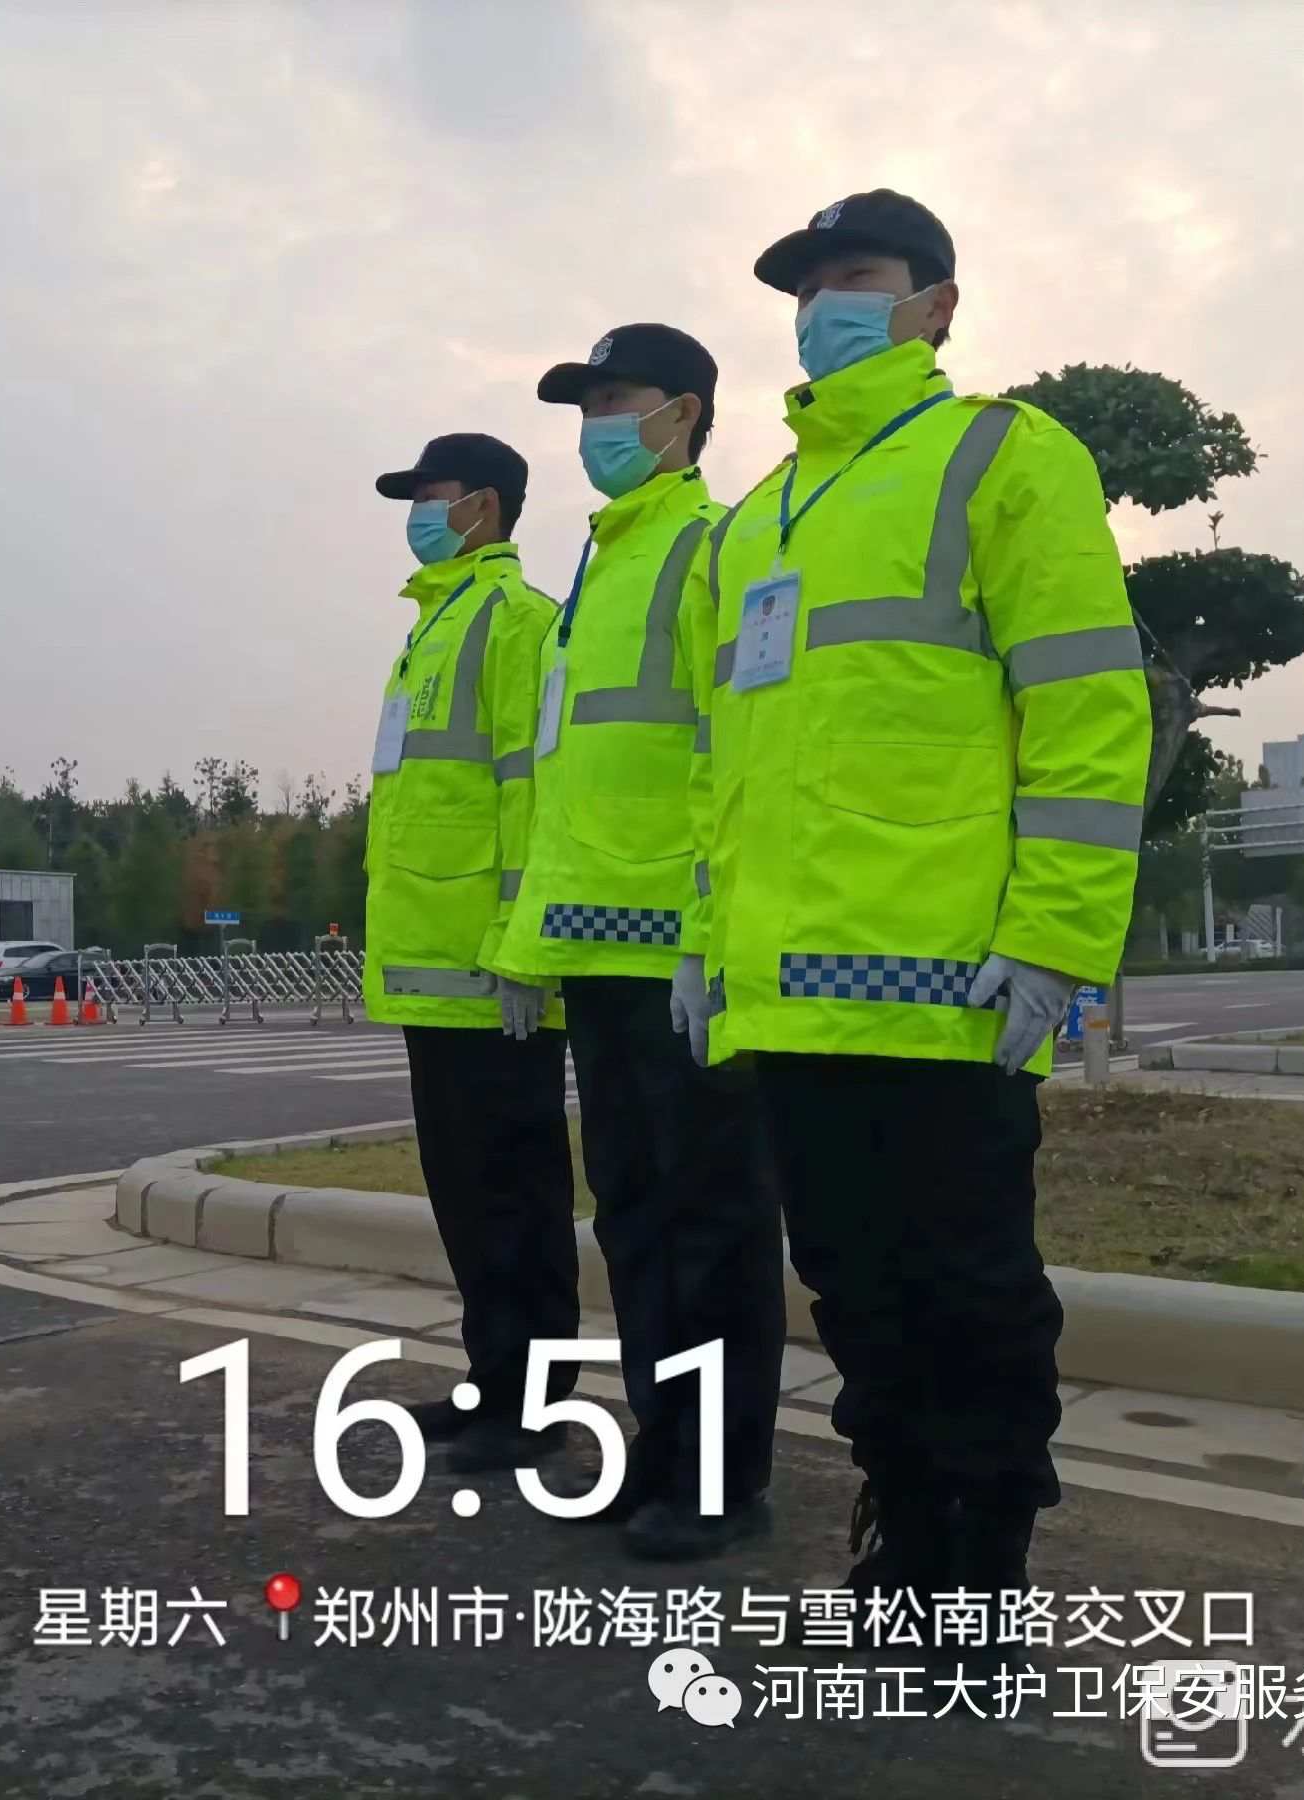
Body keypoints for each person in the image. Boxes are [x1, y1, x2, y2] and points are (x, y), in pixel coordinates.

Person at [679, 192, 1151, 1629]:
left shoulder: (1000, 456)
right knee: (856, 1297)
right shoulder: (755, 519)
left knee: (973, 1297)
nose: (826, 304)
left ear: (936, 304)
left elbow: (1086, 710)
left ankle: (979, 1573)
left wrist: (1054, 940)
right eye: (808, 284)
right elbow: (723, 770)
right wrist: (703, 942)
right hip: (789, 1000)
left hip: (950, 992)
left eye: (859, 275)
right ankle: (900, 1529)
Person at [486, 325, 786, 1561]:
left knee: (713, 1223)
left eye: (618, 400)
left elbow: (735, 752)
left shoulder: (714, 547)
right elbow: (566, 787)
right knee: (635, 1218)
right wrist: (528, 945)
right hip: (601, 961)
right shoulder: (596, 574)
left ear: (686, 414)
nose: (596, 425)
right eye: (586, 405)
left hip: (682, 958)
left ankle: (719, 1477)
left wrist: (712, 941)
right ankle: (663, 1449)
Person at [366, 432, 580, 1475]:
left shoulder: (515, 622)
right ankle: (493, 1380)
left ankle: (533, 1405)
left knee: (515, 1196)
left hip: (494, 979)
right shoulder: (435, 626)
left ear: (483, 507)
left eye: (431, 495)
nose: (416, 513)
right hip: (434, 973)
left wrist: (519, 949)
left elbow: (531, 796)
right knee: (466, 1196)